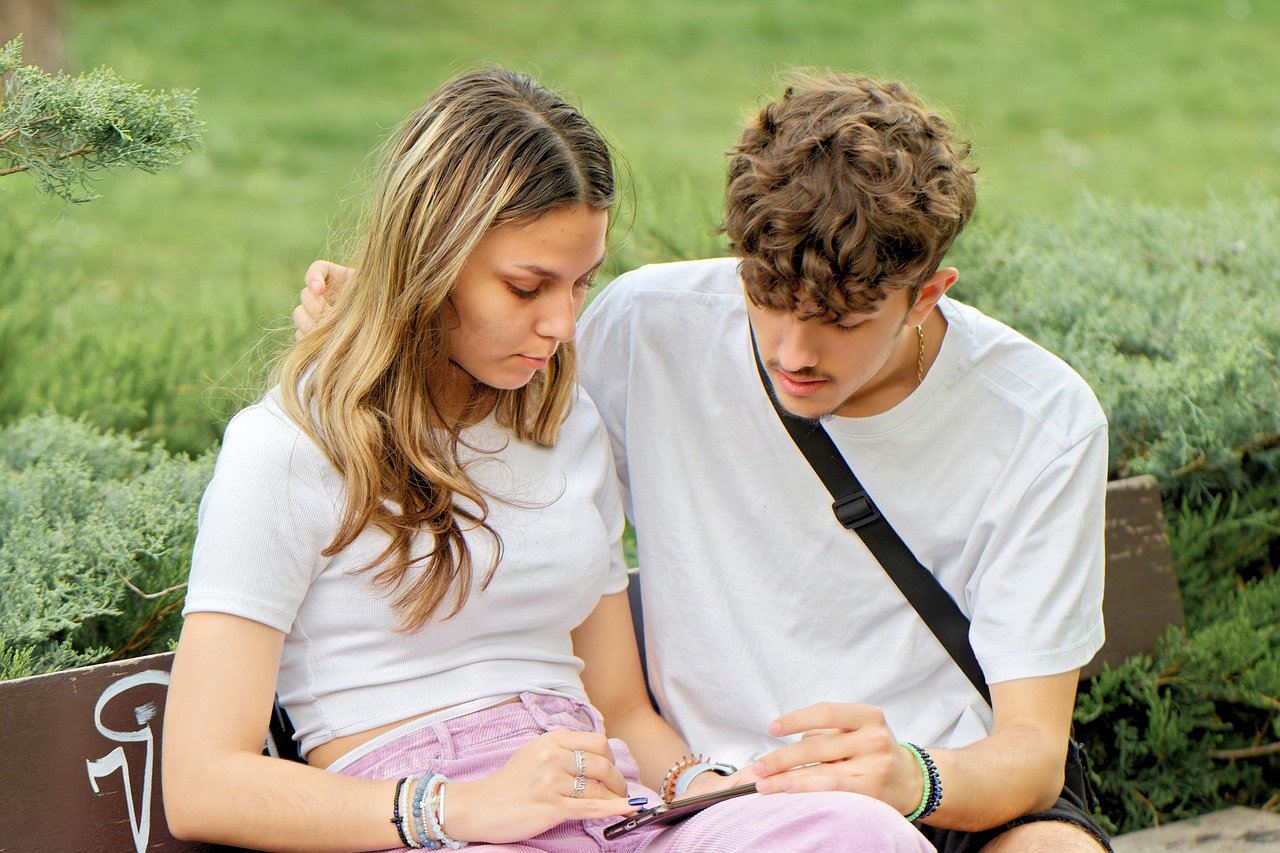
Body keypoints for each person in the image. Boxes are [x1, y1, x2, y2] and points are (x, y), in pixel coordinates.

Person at [297, 72, 1113, 852]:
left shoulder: (1040, 418)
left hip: (942, 780)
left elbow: (1033, 757)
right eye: (767, 299)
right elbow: (483, 425)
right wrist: (385, 319)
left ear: (927, 295)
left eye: (841, 319)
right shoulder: (644, 330)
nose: (794, 352)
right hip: (708, 801)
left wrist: (911, 775)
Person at [165, 68, 933, 852]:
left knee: (856, 832)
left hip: (606, 802)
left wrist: (713, 792)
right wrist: (458, 807)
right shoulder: (288, 449)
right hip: (428, 820)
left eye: (580, 283)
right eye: (527, 286)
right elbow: (203, 782)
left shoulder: (564, 421)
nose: (564, 324)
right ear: (430, 259)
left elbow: (624, 709)